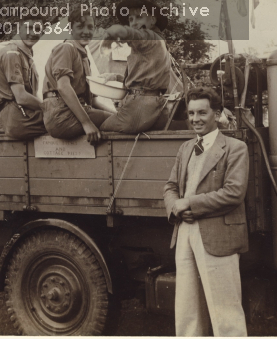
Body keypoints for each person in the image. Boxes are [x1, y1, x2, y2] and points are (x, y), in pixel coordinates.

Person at [163, 87, 249, 337]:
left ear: (217, 114)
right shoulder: (186, 148)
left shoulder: (235, 148)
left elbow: (234, 193)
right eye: (191, 113)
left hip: (218, 235)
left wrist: (189, 204)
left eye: (202, 112)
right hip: (185, 234)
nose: (195, 119)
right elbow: (170, 187)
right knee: (187, 309)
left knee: (225, 311)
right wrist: (176, 208)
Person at [99, 0, 171, 134]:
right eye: (131, 19)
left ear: (152, 20)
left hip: (140, 106)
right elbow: (143, 79)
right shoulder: (157, 42)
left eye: (139, 17)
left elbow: (132, 33)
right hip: (155, 105)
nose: (134, 23)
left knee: (101, 128)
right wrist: (115, 76)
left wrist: (115, 31)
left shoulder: (148, 38)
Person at [42, 11, 113, 142]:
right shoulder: (66, 48)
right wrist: (87, 123)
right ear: (70, 29)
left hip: (75, 112)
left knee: (120, 119)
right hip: (61, 115)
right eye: (80, 27)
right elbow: (63, 87)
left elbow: (94, 101)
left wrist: (116, 114)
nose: (86, 32)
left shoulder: (83, 56)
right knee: (122, 123)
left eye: (90, 27)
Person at [0, 17, 47, 140]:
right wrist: (50, 107)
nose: (33, 33)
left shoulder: (25, 54)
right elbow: (21, 97)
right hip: (16, 117)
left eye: (37, 29)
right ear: (18, 29)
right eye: (28, 28)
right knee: (65, 121)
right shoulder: (12, 53)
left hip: (24, 114)